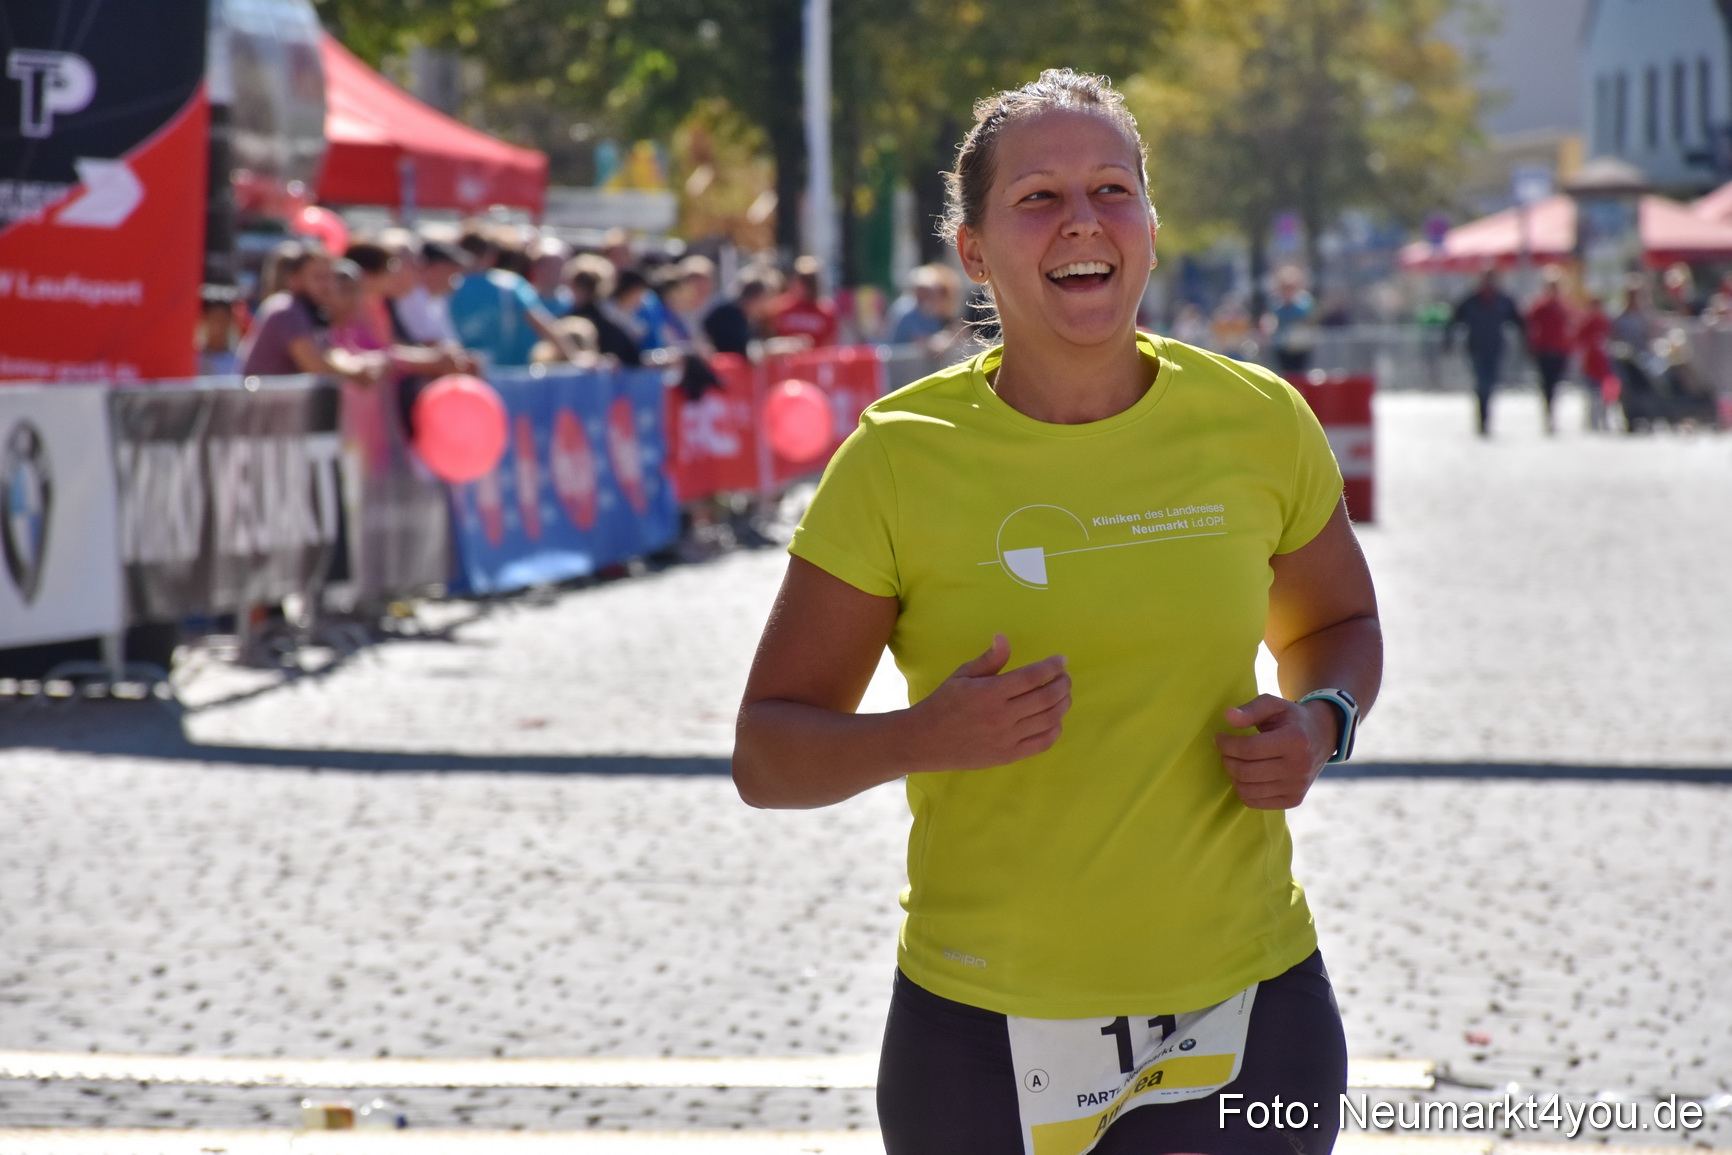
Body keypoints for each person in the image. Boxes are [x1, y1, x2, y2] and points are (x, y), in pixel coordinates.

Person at [733, 69, 1381, 1155]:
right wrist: (921, 736)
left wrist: (1319, 720)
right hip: (976, 1033)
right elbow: (767, 754)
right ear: (974, 251)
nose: (1082, 220)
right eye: (1037, 197)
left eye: (1111, 190)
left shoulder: (1259, 421)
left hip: (1247, 1006)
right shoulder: (898, 458)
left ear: (1149, 226)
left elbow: (1337, 628)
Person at [237, 242, 385, 382]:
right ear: (294, 280)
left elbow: (331, 354)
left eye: (329, 277)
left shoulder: (315, 312)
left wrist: (359, 365)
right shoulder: (286, 309)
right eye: (318, 277)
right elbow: (317, 367)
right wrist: (357, 373)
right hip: (260, 406)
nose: (327, 286)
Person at [447, 231, 580, 369]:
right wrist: (574, 358)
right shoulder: (510, 285)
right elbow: (542, 323)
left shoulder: (446, 285)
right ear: (491, 256)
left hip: (459, 375)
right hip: (505, 375)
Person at [1446, 269, 1525, 436]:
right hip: (1476, 348)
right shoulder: (1471, 301)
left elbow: (1519, 321)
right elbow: (1454, 320)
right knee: (1482, 383)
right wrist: (1448, 343)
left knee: (1491, 384)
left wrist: (1527, 342)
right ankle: (1482, 418)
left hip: (1495, 348)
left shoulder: (1503, 301)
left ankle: (1486, 416)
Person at [1523, 268, 1573, 434]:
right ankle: (1548, 413)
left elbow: (1570, 326)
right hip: (1544, 349)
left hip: (1559, 349)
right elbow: (1529, 325)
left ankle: (1552, 413)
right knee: (1547, 383)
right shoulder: (1540, 306)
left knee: (1556, 383)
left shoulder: (1563, 306)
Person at [703, 267, 779, 357]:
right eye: (765, 300)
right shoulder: (726, 315)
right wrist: (772, 349)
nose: (767, 306)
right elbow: (742, 349)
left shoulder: (747, 317)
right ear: (755, 298)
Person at [769, 254, 840, 347]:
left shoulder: (826, 311)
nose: (806, 286)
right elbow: (770, 337)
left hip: (816, 360)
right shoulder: (780, 308)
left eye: (809, 281)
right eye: (801, 280)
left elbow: (830, 344)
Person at [1266, 265, 1316, 374]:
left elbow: (1305, 315)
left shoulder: (1304, 300)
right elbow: (1274, 318)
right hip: (1282, 346)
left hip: (1301, 345)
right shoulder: (1275, 301)